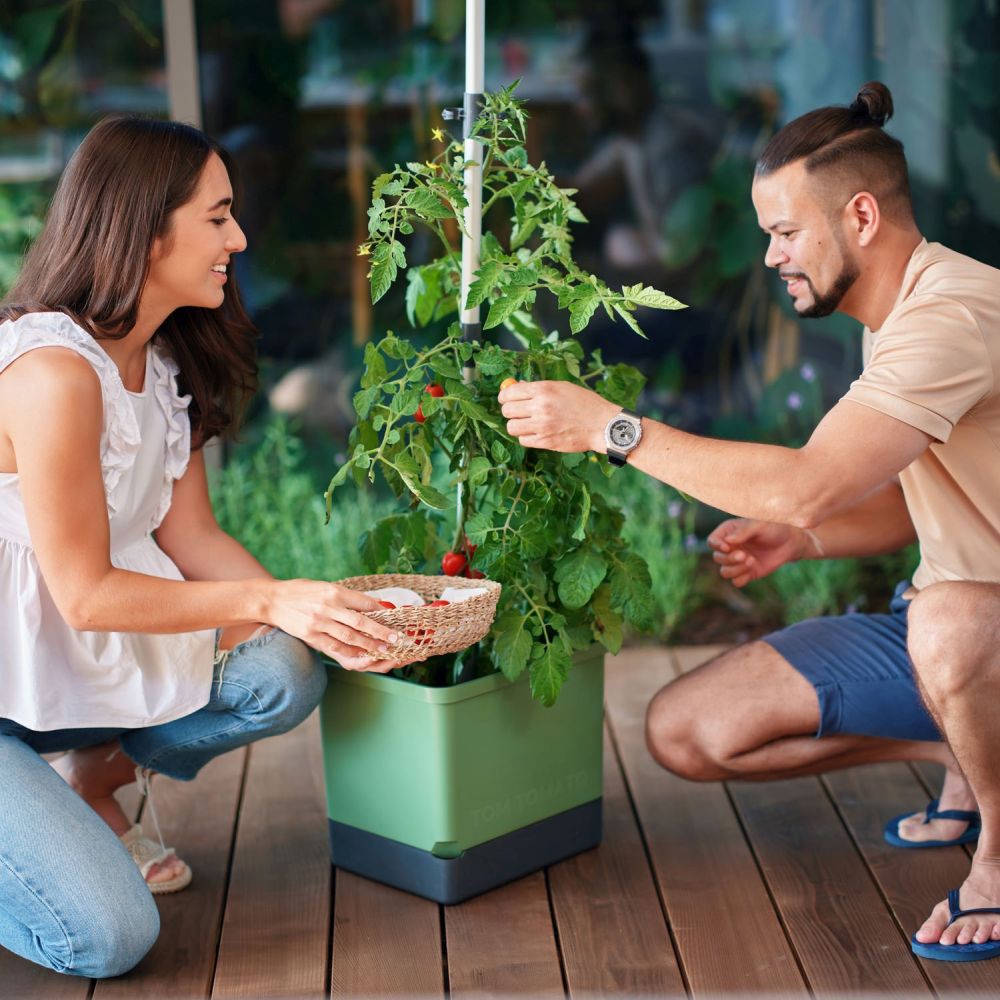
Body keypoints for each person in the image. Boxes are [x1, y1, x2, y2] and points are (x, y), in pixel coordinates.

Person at [499, 81, 1000, 963]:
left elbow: (807, 482)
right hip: (943, 621)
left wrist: (611, 430)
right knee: (687, 730)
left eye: (786, 232)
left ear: (860, 217)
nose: (771, 256)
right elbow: (905, 500)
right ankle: (967, 751)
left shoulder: (953, 315)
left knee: (950, 623)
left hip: (968, 626)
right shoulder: (890, 313)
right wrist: (805, 538)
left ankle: (996, 849)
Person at [0, 115, 406, 978]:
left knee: (283, 668)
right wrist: (271, 599)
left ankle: (87, 776)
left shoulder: (163, 364)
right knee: (110, 937)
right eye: (218, 218)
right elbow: (86, 595)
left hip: (56, 674)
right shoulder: (50, 372)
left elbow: (192, 537)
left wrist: (318, 621)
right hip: (40, 660)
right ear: (146, 229)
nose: (240, 239)